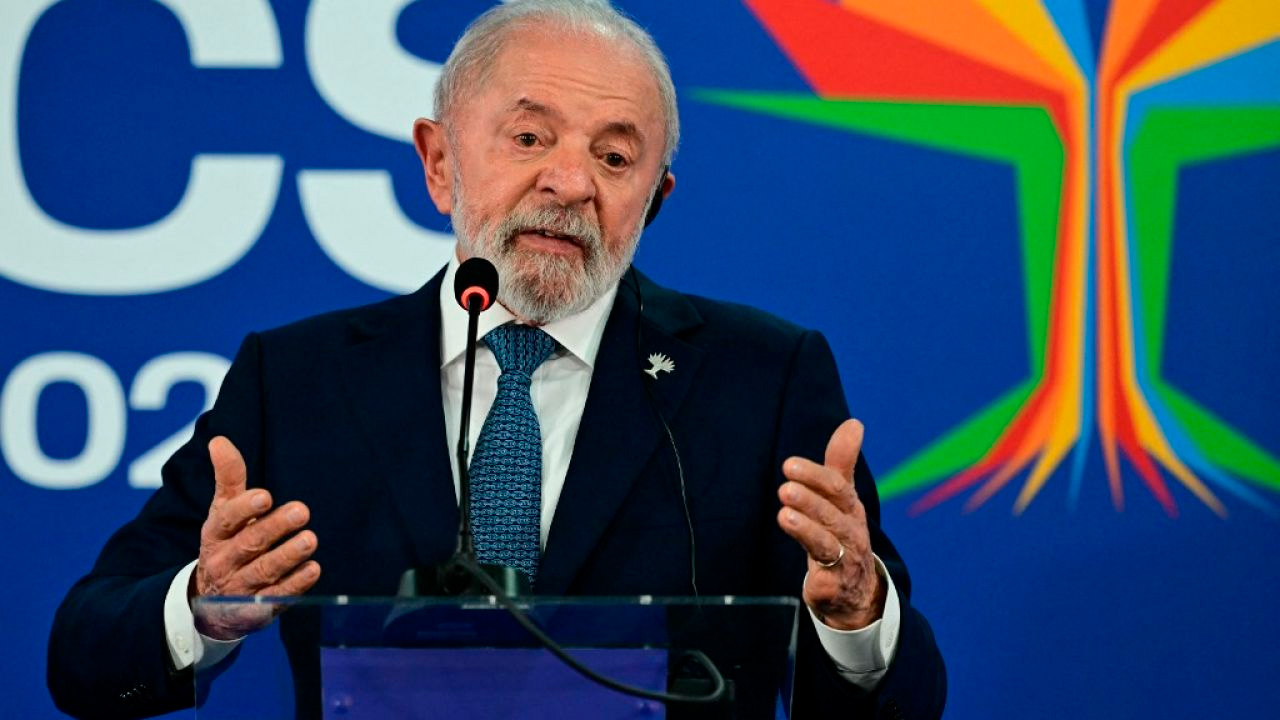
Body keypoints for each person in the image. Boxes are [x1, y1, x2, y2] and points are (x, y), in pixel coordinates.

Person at [48, 1, 945, 718]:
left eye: (615, 156)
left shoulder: (763, 379)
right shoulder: (297, 382)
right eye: (529, 138)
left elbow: (907, 696)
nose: (571, 182)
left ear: (654, 200)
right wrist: (202, 603)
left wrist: (857, 617)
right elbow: (83, 655)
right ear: (439, 161)